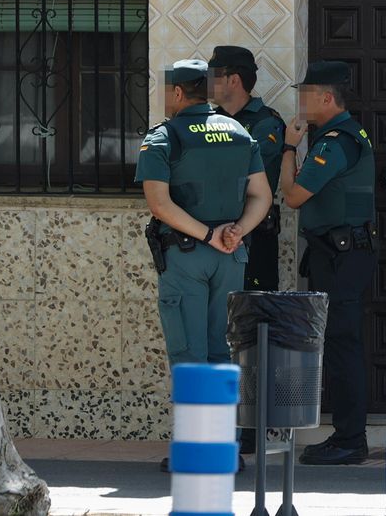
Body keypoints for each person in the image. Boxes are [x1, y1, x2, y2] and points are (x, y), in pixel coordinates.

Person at [137, 59, 271, 473]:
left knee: (189, 352)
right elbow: (262, 197)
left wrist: (207, 235)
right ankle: (225, 447)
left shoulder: (163, 137)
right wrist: (236, 232)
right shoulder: (238, 131)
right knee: (222, 350)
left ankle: (195, 448)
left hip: (186, 258)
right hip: (231, 258)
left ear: (178, 93)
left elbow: (159, 203)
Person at [277, 60, 377, 466]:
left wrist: (288, 147)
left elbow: (294, 196)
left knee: (342, 347)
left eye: (305, 93)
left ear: (326, 97)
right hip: (339, 254)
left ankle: (351, 439)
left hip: (342, 257)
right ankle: (347, 435)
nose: (299, 101)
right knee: (339, 345)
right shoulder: (341, 136)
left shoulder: (336, 141)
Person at [208, 45, 287, 292]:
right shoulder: (206, 121)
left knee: (254, 311)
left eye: (213, 76)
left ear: (233, 80)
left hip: (252, 233)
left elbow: (246, 172)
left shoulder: (266, 123)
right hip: (211, 229)